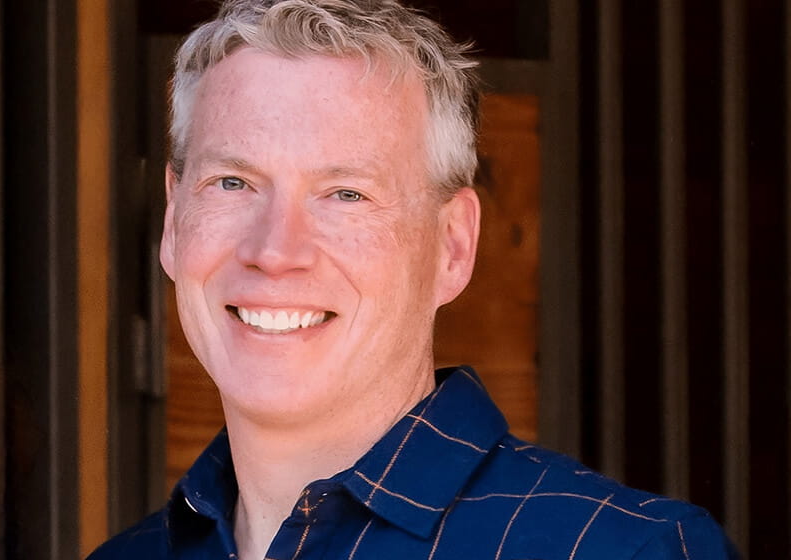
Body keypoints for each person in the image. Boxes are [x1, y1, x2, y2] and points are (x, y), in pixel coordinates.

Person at [89, 1, 737, 558]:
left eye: (345, 194)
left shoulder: (618, 551)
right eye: (233, 183)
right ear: (174, 222)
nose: (274, 250)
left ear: (452, 246)